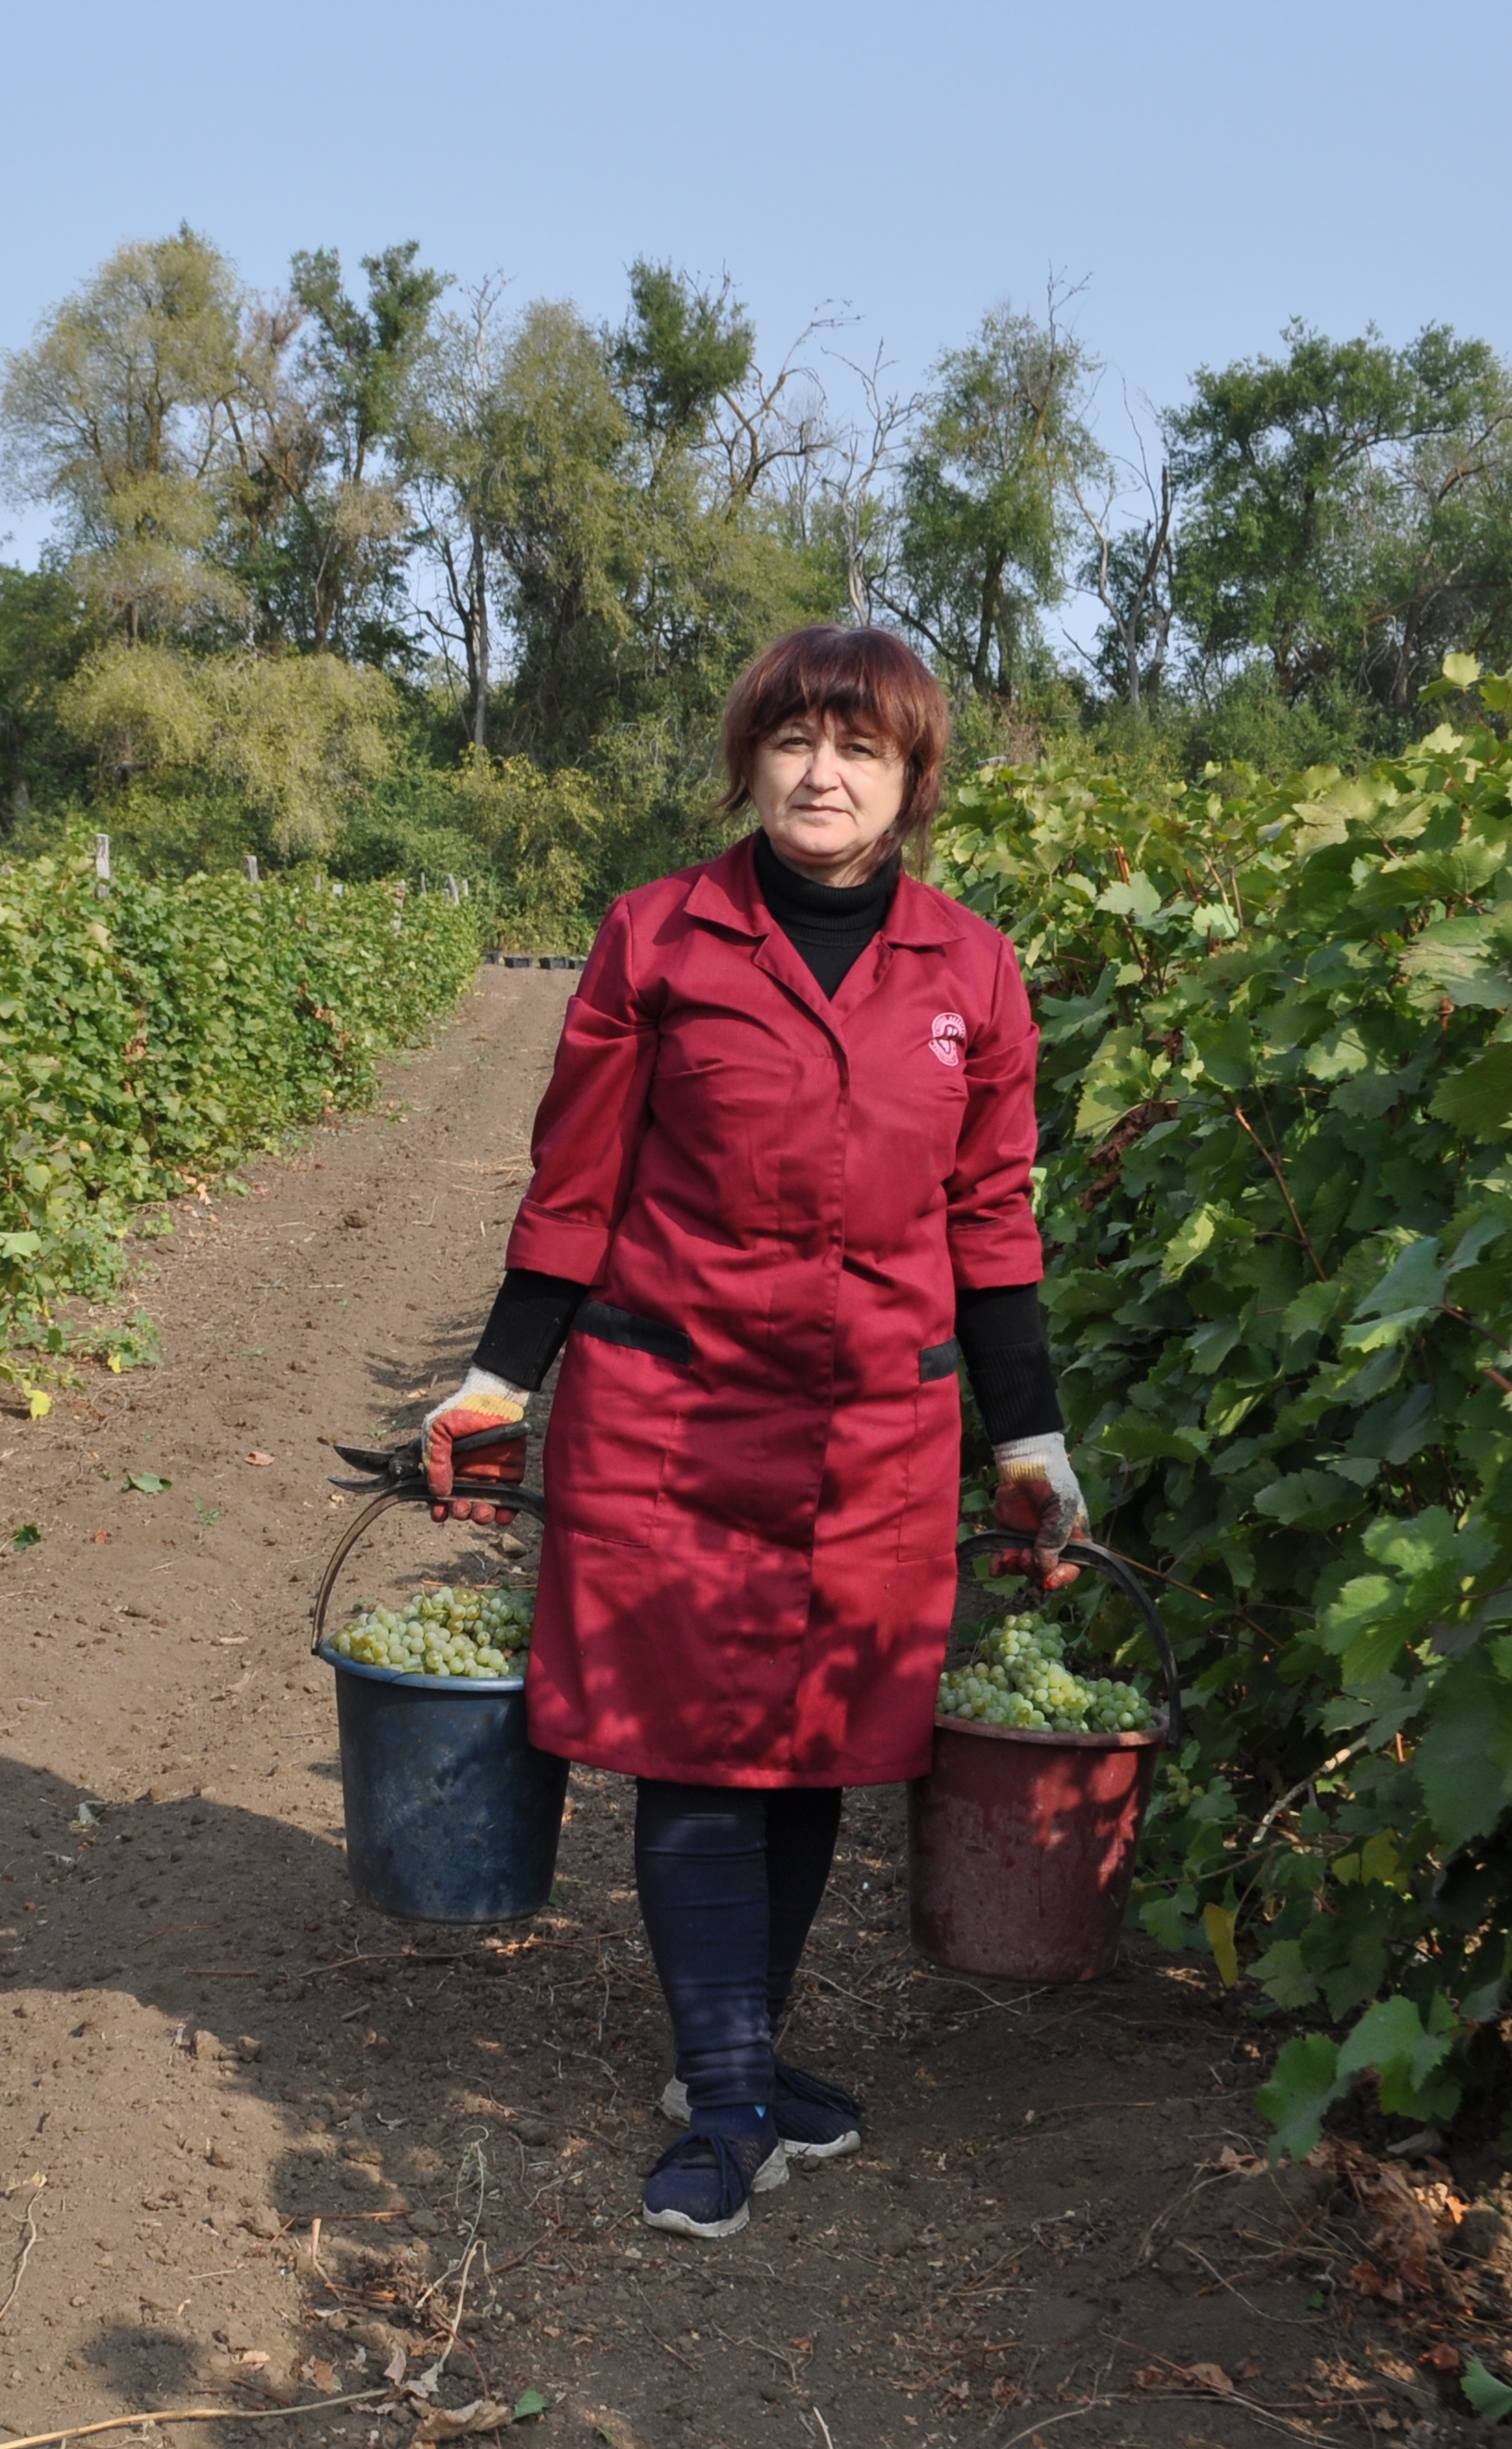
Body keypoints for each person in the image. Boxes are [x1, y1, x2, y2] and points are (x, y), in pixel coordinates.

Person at [419, 624, 1083, 2240]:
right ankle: (727, 2100)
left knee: (817, 1758)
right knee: (699, 1757)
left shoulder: (972, 973)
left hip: (876, 1433)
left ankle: (743, 2054)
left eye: (860, 747)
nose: (823, 773)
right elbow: (573, 1188)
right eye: (794, 741)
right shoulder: (657, 941)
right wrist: (503, 1378)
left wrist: (1030, 1439)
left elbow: (992, 1221)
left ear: (915, 778)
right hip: (674, 1415)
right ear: (750, 761)